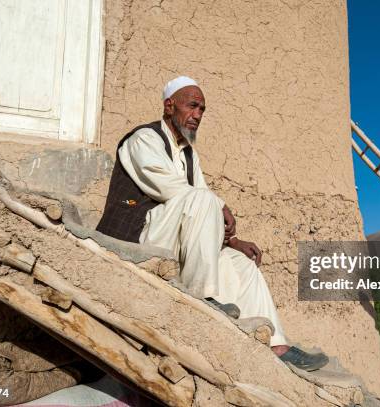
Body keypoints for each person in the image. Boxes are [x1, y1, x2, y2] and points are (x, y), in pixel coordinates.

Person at [97, 76, 328, 371]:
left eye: (202, 109)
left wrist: (231, 240)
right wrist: (219, 204)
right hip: (136, 235)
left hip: (171, 238)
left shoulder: (190, 154)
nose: (198, 115)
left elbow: (198, 208)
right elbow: (172, 189)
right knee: (205, 200)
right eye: (192, 106)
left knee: (242, 264)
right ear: (169, 106)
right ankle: (201, 301)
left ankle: (276, 345)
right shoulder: (144, 138)